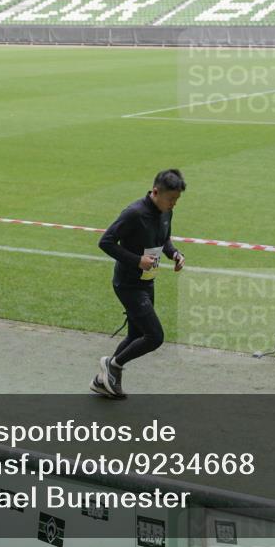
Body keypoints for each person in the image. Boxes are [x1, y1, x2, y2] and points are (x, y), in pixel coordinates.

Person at [91, 169, 186, 399]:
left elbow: (164, 239)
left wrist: (174, 253)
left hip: (147, 281)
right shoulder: (134, 213)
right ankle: (112, 364)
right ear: (155, 192)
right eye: (171, 199)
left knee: (135, 335)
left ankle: (103, 381)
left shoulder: (166, 212)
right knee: (154, 336)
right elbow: (106, 242)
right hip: (127, 284)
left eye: (177, 200)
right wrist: (137, 261)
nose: (174, 204)